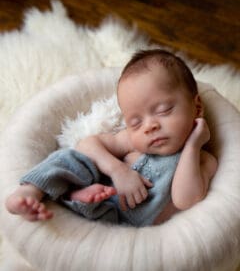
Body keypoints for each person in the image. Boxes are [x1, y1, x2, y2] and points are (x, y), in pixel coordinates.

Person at [5, 49, 217, 226]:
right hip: (108, 190)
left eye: (163, 110)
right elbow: (87, 144)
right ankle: (32, 189)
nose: (150, 126)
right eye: (135, 122)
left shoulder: (203, 160)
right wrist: (119, 171)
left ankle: (76, 200)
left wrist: (192, 145)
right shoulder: (134, 142)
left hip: (118, 221)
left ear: (197, 106)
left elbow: (185, 200)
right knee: (73, 158)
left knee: (101, 218)